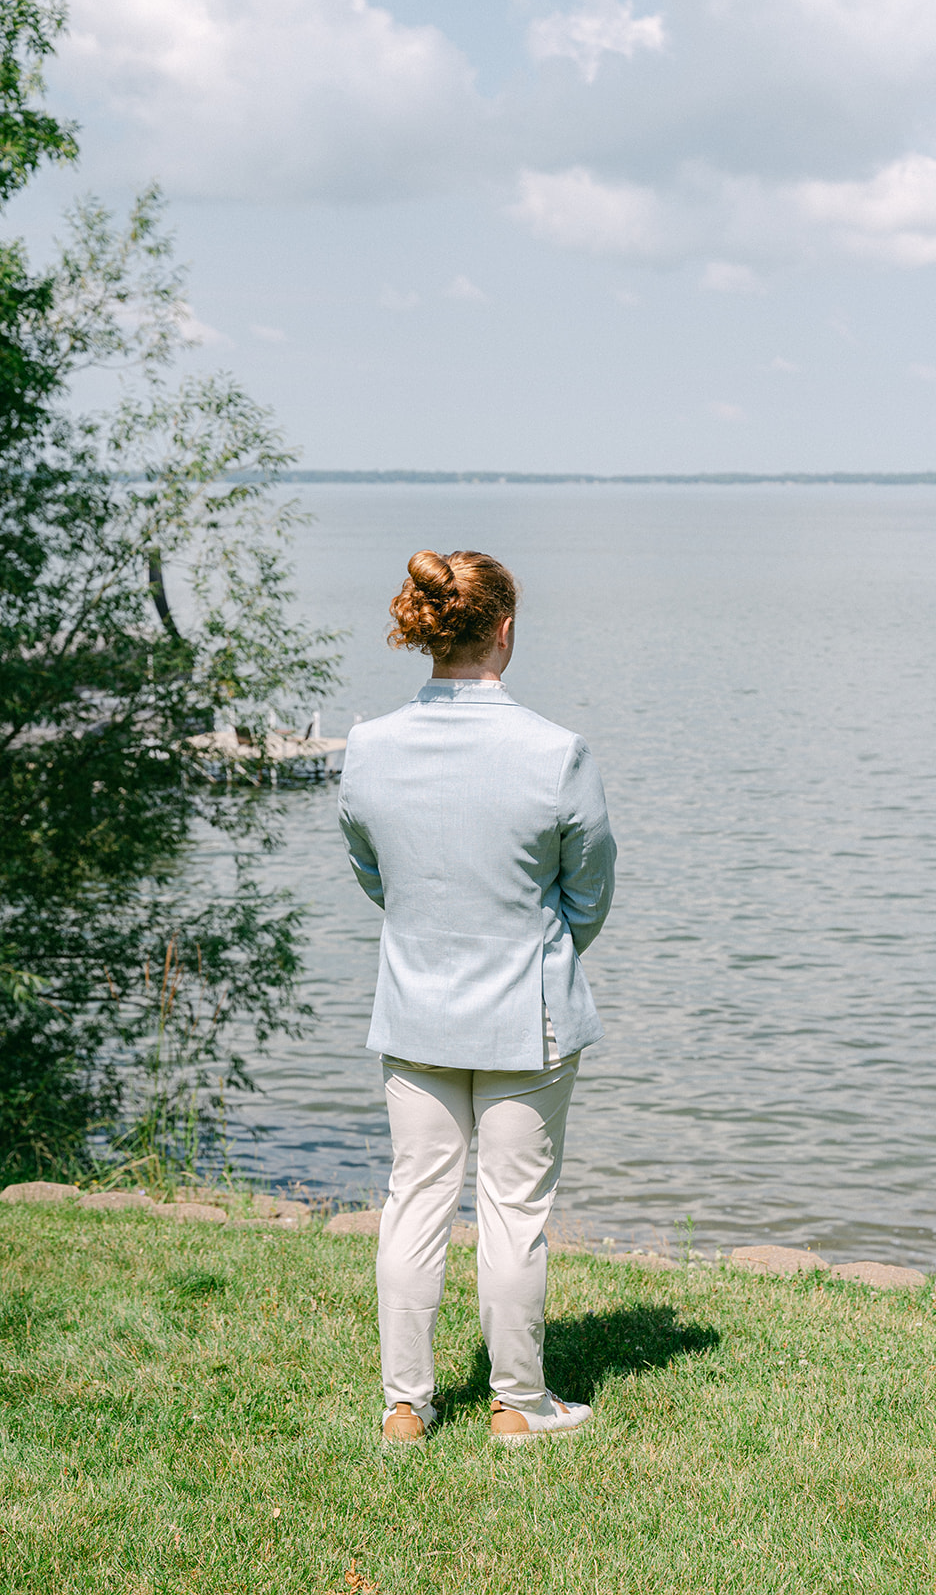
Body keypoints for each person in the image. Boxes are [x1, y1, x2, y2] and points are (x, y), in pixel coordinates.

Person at [337, 549, 616, 1446]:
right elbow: (589, 893)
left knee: (414, 1199)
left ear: (427, 628)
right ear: (502, 629)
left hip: (415, 1009)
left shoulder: (369, 746)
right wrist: (531, 942)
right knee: (513, 1211)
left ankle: (404, 1407)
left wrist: (433, 928)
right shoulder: (555, 752)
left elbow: (374, 875)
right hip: (525, 1017)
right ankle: (518, 1404)